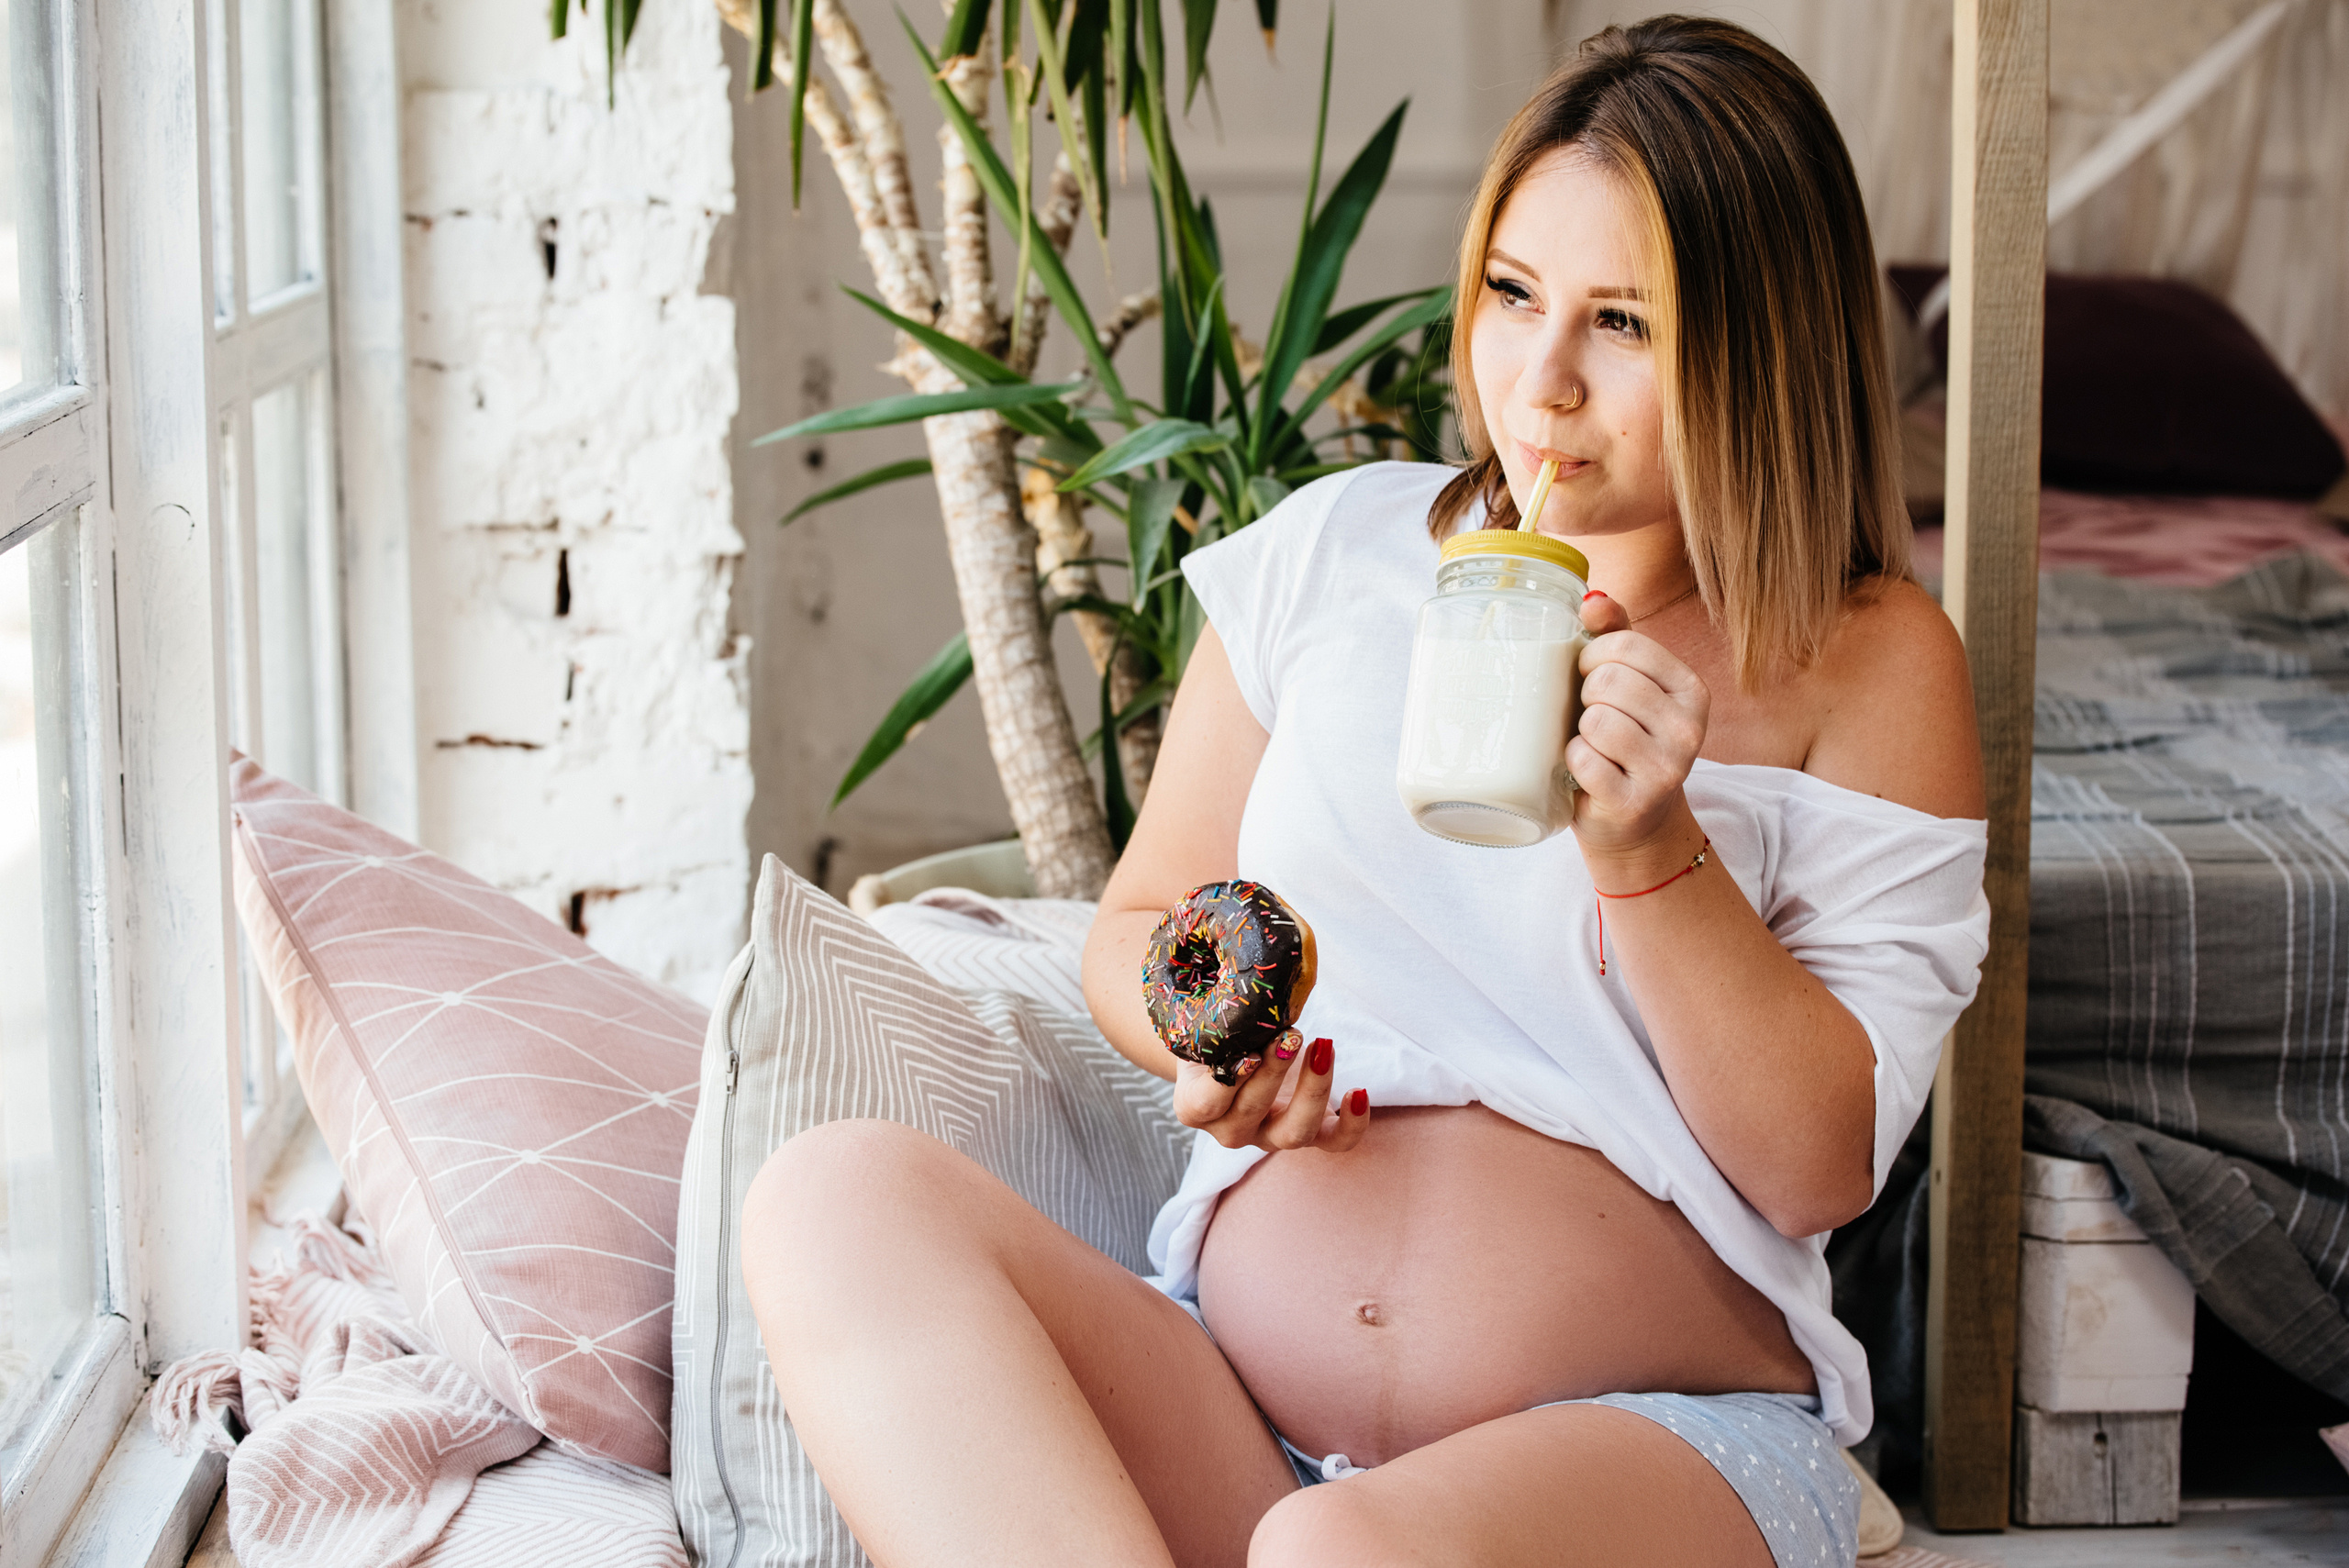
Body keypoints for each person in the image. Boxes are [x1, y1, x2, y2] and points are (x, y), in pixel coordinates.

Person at [740, 16, 1990, 1567]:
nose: (1541, 382)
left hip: (1672, 1440)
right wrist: (1219, 1052)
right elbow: (1143, 922)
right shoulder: (1333, 554)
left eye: (1625, 324)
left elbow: (1819, 1163)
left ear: (1764, 341)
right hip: (1244, 1427)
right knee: (829, 1193)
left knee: (1343, 1558)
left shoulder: (1865, 659)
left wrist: (1652, 850)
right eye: (1514, 295)